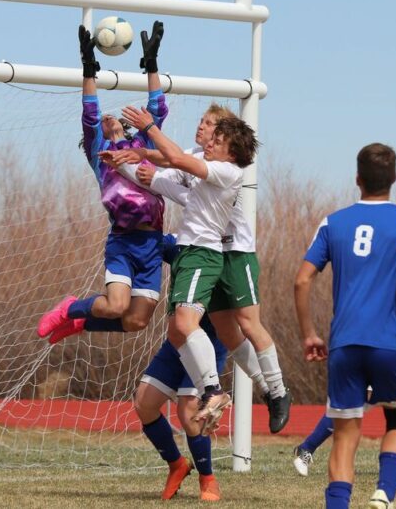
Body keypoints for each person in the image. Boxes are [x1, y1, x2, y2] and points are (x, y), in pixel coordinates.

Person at [121, 104, 291, 433]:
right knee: (224, 333)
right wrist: (137, 154)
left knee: (248, 323)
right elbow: (172, 163)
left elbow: (175, 162)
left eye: (214, 129)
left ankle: (277, 391)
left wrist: (148, 130)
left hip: (233, 252)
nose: (206, 134)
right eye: (204, 125)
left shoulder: (224, 169)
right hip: (205, 250)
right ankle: (247, 388)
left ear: (229, 143)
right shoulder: (204, 158)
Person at [294, 143, 396, 509]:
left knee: (345, 436)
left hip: (343, 345)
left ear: (357, 179)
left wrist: (309, 333)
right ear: (394, 178)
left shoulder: (333, 222)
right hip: (388, 343)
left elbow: (301, 280)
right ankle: (382, 494)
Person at [37, 21, 167, 343]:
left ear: (125, 124)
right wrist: (88, 70)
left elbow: (156, 110)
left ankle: (82, 322)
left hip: (152, 243)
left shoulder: (144, 149)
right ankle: (71, 308)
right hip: (123, 241)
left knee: (136, 322)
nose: (107, 117)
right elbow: (90, 115)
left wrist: (151, 65)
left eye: (113, 116)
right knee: (115, 306)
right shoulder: (101, 155)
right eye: (103, 119)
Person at [292, 318, 396, 477]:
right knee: (353, 403)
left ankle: (395, 462)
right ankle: (307, 449)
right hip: (374, 345)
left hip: (394, 347)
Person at [135, 314, 229, 502]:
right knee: (144, 403)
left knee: (188, 411)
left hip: (208, 345)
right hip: (177, 342)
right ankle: (177, 465)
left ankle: (207, 477)